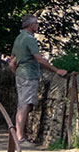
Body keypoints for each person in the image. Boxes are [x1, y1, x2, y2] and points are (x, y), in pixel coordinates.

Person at [10, 14, 66, 144]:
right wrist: (56, 70)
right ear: (31, 25)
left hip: (21, 74)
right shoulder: (29, 39)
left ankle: (19, 134)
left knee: (22, 105)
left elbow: (12, 62)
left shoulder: (19, 38)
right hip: (29, 75)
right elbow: (39, 59)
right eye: (36, 23)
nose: (37, 25)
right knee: (25, 105)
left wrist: (17, 72)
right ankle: (20, 136)